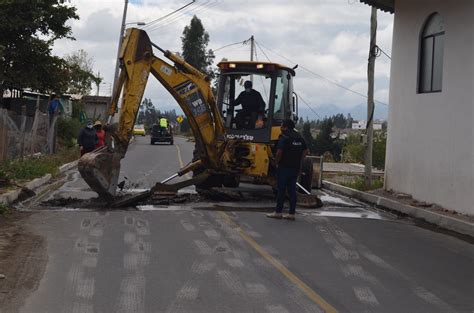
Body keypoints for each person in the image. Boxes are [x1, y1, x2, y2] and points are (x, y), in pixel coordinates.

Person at [267, 119, 309, 221]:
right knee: (292, 190)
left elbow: (279, 152)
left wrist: (275, 162)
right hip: (295, 168)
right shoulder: (299, 137)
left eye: (281, 126)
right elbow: (306, 151)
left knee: (281, 190)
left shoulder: (284, 137)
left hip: (284, 167)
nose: (280, 128)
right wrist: (300, 161)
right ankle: (291, 214)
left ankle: (278, 212)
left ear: (285, 127)